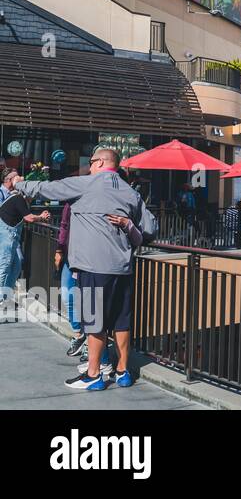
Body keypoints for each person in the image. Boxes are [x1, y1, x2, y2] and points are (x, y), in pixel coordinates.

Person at [16, 149, 156, 391]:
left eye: (91, 162)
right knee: (121, 323)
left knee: (94, 322)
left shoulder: (88, 183)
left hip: (93, 267)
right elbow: (151, 229)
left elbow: (48, 189)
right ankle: (123, 372)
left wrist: (21, 183)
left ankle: (93, 376)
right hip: (122, 268)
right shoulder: (130, 191)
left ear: (101, 162)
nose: (89, 167)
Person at [0, 171, 51, 305]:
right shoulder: (18, 198)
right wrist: (41, 217)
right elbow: (28, 218)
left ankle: (6, 295)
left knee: (16, 265)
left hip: (11, 235)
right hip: (7, 235)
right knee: (4, 266)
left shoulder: (17, 198)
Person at [55, 203, 87, 358]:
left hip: (89, 257)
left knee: (89, 299)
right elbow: (64, 226)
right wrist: (59, 250)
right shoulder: (70, 203)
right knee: (68, 296)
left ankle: (90, 342)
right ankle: (80, 335)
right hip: (70, 255)